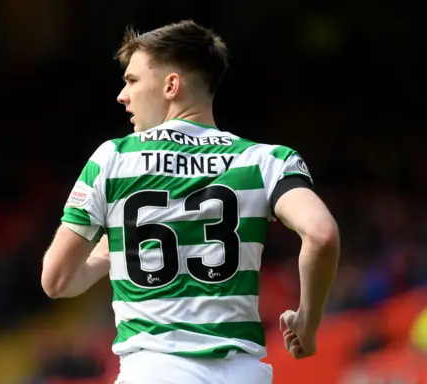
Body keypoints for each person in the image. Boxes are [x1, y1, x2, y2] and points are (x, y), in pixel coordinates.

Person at [41, 20, 340, 384]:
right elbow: (322, 234)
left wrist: (105, 256)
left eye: (132, 80)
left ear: (171, 85)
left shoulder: (112, 159)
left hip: (153, 371)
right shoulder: (266, 161)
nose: (122, 94)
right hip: (244, 374)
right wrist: (308, 322)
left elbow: (56, 281)